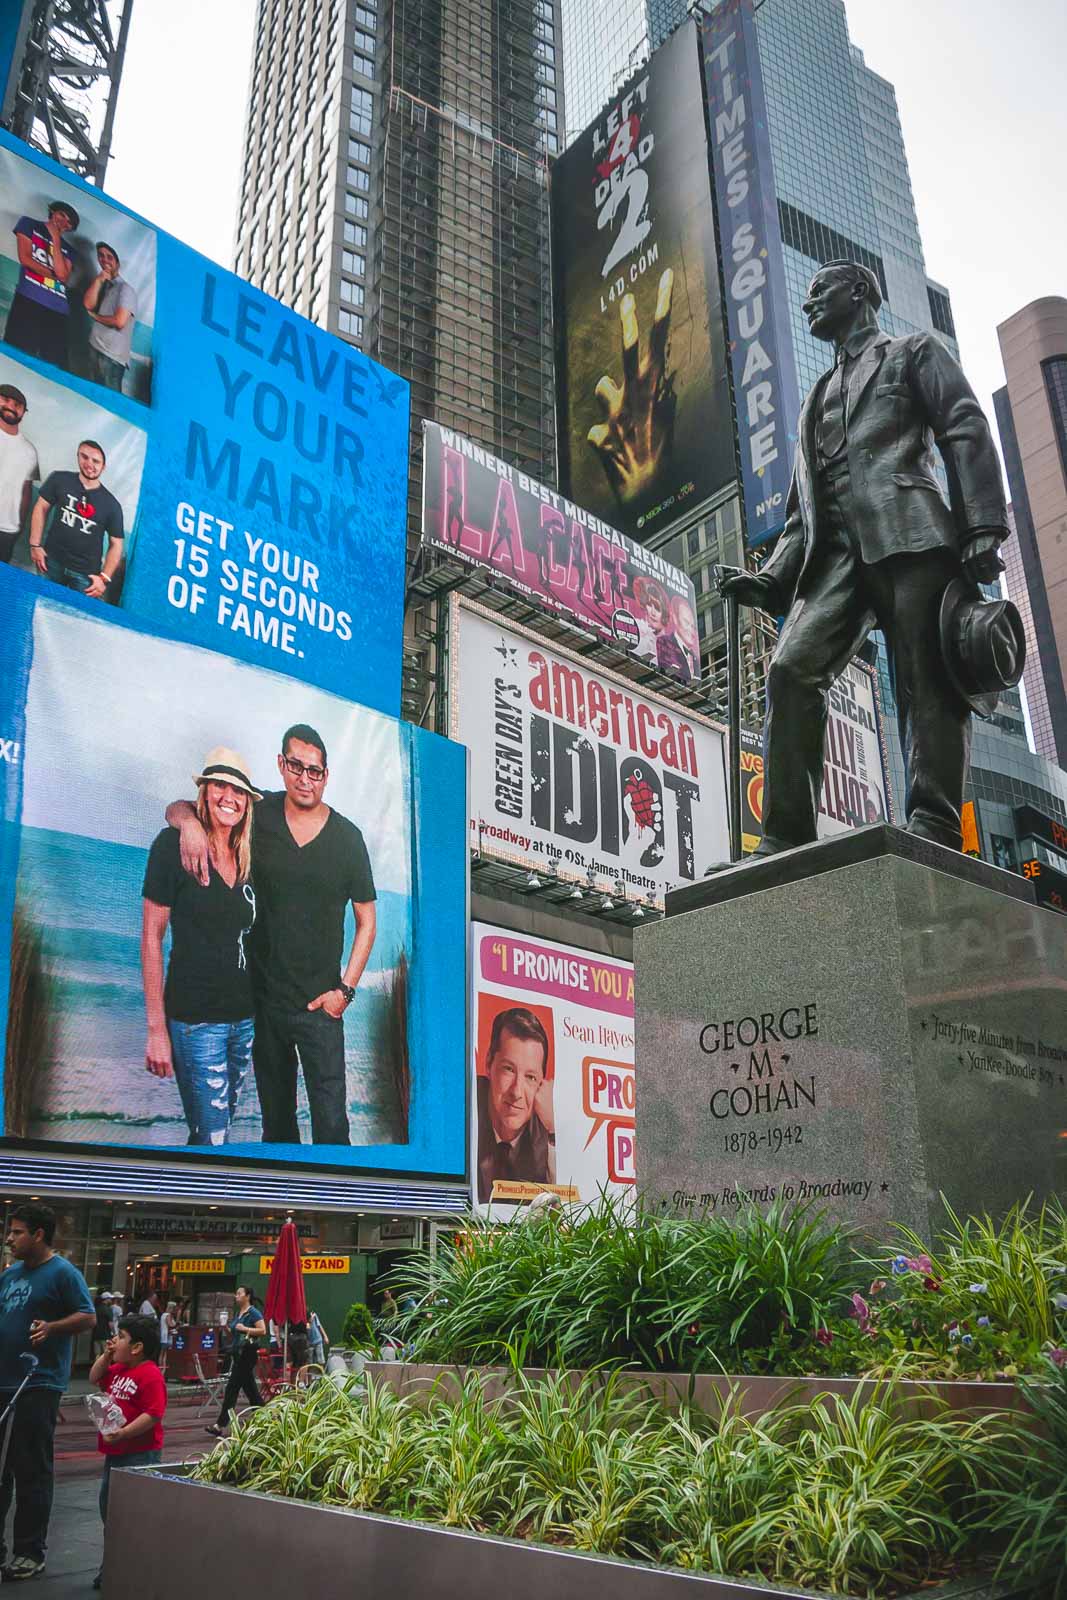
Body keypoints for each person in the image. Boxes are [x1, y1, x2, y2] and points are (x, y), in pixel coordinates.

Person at [719, 259, 1011, 855]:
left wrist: (980, 525)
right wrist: (771, 580)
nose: (808, 306)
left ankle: (935, 822)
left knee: (925, 679)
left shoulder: (913, 352)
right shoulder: (814, 400)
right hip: (838, 560)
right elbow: (805, 510)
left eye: (818, 291)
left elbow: (964, 425)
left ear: (859, 291)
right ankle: (785, 835)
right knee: (790, 670)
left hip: (913, 537)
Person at [167, 724, 377, 1145]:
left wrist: (344, 992)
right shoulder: (257, 816)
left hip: (321, 1008)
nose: (304, 778)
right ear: (282, 765)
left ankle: (329, 1211)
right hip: (264, 1003)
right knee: (277, 1127)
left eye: (314, 771)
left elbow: (367, 921)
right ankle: (285, 1213)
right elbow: (184, 807)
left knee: (333, 1128)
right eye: (296, 766)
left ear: (326, 775)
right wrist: (188, 825)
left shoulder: (348, 839)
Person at [143, 748, 260, 1146]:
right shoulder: (171, 847)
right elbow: (150, 939)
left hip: (243, 1023)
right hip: (195, 1023)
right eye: (220, 786)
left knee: (213, 1134)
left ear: (248, 802)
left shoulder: (248, 857)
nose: (230, 797)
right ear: (205, 792)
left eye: (239, 791)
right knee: (213, 1137)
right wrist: (157, 1030)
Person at [0, 1202, 95, 1582]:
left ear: (38, 1235)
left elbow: (88, 1316)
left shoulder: (63, 1273)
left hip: (37, 1383)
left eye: (17, 1232)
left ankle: (29, 1551)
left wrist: (53, 1327)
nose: (9, 1238)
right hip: (3, 1382)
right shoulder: (9, 1275)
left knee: (31, 1469)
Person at [88, 1313, 166, 1591]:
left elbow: (154, 1415)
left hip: (140, 1455)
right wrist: (107, 1355)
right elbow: (94, 1377)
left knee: (131, 1513)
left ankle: (130, 1565)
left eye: (120, 1337)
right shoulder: (119, 1370)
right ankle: (111, 1562)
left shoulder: (150, 1375)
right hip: (116, 1452)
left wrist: (123, 1433)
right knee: (109, 1508)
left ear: (137, 1347)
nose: (114, 1341)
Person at [27, 438, 125, 597]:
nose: (89, 464)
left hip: (86, 575)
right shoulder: (59, 479)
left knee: (74, 618)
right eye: (84, 457)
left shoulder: (112, 504)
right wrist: (34, 545)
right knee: (38, 607)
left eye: (96, 461)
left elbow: (117, 544)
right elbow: (41, 507)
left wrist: (104, 578)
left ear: (103, 466)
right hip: (50, 562)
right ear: (78, 456)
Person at [476, 1006, 555, 1203]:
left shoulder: (547, 1129)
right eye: (508, 1069)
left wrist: (553, 1129)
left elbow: (568, 1207)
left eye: (530, 1077)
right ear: (488, 1064)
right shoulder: (466, 1108)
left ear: (541, 1083)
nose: (516, 1092)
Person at [4, 201, 78, 369]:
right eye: (62, 215)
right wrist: (55, 276)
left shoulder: (69, 250)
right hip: (28, 298)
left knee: (54, 363)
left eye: (69, 222)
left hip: (57, 309)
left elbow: (63, 275)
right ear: (52, 212)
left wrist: (56, 240)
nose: (63, 221)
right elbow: (26, 259)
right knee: (15, 353)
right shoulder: (28, 224)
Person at [207, 1287, 265, 1437]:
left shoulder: (253, 1312)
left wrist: (245, 1328)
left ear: (248, 1296)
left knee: (232, 1388)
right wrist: (225, 1327)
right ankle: (266, 1418)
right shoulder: (239, 1314)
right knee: (251, 1391)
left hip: (247, 1353)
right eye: (236, 1293)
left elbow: (262, 1330)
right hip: (238, 1354)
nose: (236, 1296)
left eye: (239, 1294)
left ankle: (219, 1425)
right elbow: (234, 1333)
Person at [82, 242, 138, 394]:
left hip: (112, 358)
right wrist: (98, 280)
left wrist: (95, 317)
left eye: (109, 257)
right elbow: (88, 304)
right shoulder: (103, 284)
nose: (104, 260)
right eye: (100, 256)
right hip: (94, 347)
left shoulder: (126, 289)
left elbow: (119, 322)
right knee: (91, 397)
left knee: (109, 404)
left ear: (118, 263)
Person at [0, 384, 39, 565]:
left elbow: (26, 492)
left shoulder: (29, 451)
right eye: (5, 399)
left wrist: (19, 528)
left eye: (17, 404)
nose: (11, 406)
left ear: (23, 413)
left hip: (7, 530)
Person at [633, 575, 691, 682]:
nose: (652, 612)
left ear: (664, 614)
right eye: (650, 605)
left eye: (657, 608)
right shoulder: (638, 631)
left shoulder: (673, 647)